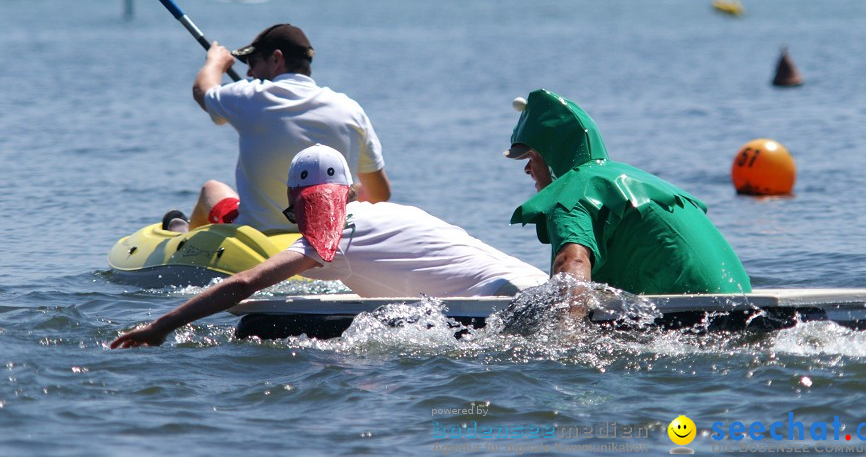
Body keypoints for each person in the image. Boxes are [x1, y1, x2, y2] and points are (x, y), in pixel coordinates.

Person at [112, 145, 547, 348]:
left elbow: (244, 283)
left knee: (250, 332)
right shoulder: (400, 214)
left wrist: (162, 326)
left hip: (499, 312)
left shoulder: (332, 236)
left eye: (295, 213)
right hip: (548, 289)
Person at [504, 89, 752, 296]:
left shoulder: (572, 194)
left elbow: (574, 265)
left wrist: (561, 345)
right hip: (746, 304)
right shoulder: (636, 181)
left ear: (552, 156)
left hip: (698, 320)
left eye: (531, 157)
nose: (526, 169)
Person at [185, 23, 391, 233]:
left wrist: (215, 62)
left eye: (253, 62)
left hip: (258, 235)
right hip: (329, 235)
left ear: (276, 58)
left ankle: (186, 249)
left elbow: (202, 91)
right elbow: (379, 194)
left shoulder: (249, 96)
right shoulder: (351, 109)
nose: (249, 72)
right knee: (359, 192)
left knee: (211, 189)